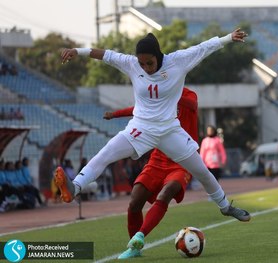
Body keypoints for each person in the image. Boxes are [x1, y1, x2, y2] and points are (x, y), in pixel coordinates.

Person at [54, 29, 250, 232]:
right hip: (141, 128)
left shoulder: (178, 61)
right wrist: (77, 50)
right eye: (142, 64)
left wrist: (228, 38)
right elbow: (106, 55)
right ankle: (74, 187)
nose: (146, 68)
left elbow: (203, 48)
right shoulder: (131, 63)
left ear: (159, 56)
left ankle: (226, 207)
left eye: (150, 63)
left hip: (169, 131)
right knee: (106, 153)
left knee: (201, 171)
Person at [104, 87, 199, 258]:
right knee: (134, 201)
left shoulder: (188, 94)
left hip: (182, 161)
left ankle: (139, 236)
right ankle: (135, 249)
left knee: (166, 193)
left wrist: (171, 93)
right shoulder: (157, 95)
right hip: (158, 159)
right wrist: (115, 114)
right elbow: (139, 110)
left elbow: (192, 104)